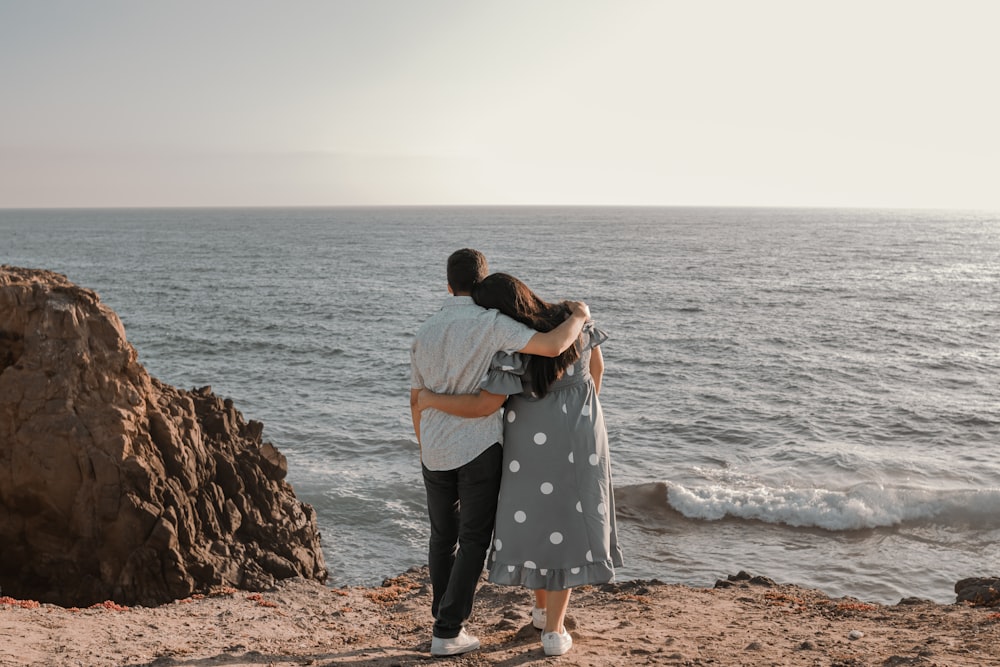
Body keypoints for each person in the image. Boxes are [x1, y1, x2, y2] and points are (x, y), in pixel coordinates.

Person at [418, 272, 622, 657]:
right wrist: (584, 407)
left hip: (525, 444)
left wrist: (429, 400)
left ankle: (545, 615)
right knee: (568, 522)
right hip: (580, 435)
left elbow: (484, 405)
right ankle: (553, 630)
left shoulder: (511, 347)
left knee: (539, 523)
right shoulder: (571, 319)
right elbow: (597, 370)